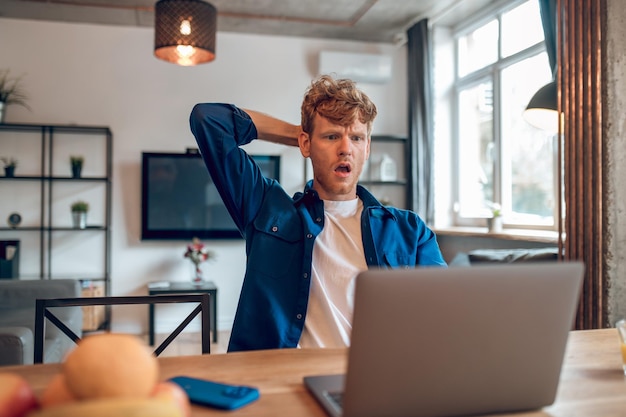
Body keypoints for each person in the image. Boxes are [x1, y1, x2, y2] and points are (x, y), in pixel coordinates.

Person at [189, 75, 446, 352]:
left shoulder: (409, 230)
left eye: (357, 138)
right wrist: (301, 135)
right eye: (332, 136)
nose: (346, 148)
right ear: (305, 143)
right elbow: (208, 119)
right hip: (285, 377)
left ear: (367, 148)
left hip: (373, 378)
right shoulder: (267, 211)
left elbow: (445, 311)